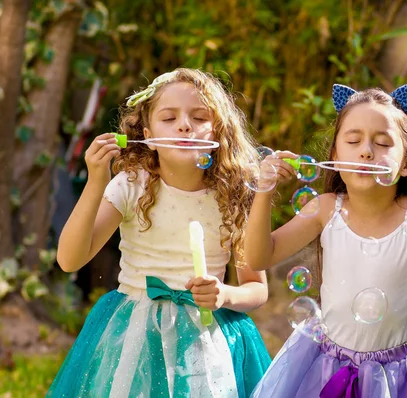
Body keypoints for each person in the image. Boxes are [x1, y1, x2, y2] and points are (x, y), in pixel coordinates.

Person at [48, 68, 271, 398]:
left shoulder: (232, 196)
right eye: (170, 118)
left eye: (198, 117)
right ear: (148, 135)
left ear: (218, 132)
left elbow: (256, 288)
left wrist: (225, 295)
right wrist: (96, 181)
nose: (184, 125)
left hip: (206, 340)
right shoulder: (131, 184)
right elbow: (69, 259)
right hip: (134, 332)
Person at [245, 83, 407, 397]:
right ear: (335, 156)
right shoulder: (325, 209)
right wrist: (264, 190)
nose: (365, 151)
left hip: (399, 377)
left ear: (406, 164)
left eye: (382, 143)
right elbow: (258, 257)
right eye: (353, 140)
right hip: (325, 366)